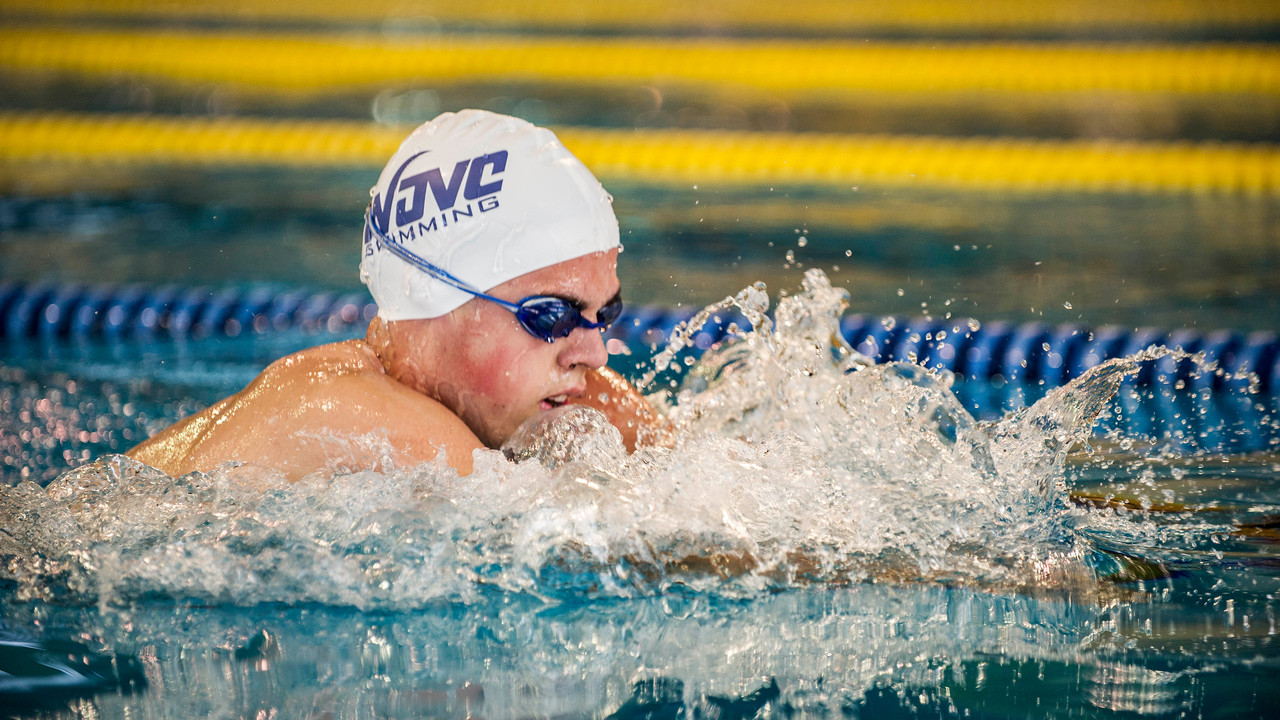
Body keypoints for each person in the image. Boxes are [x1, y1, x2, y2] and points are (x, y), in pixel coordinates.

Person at [127, 110, 667, 480]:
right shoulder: (353, 414)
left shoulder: (567, 394)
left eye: (606, 314)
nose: (593, 353)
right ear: (435, 300)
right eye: (550, 316)